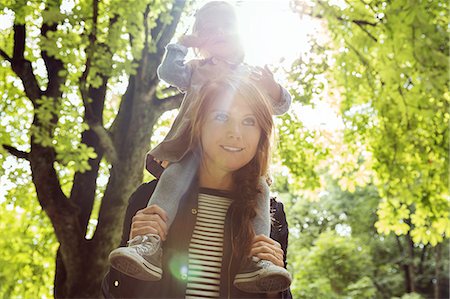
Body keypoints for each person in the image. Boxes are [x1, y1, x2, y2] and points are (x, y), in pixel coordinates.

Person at [109, 1, 292, 293]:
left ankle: (257, 261)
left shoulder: (272, 214)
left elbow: (282, 104)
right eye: (220, 116)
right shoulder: (198, 69)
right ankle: (148, 245)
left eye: (248, 121)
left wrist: (273, 89)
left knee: (260, 187)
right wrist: (182, 43)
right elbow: (168, 72)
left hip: (262, 256)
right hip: (188, 147)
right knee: (175, 174)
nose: (234, 133)